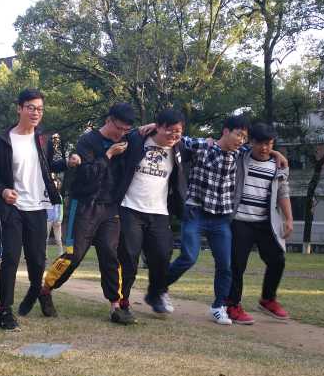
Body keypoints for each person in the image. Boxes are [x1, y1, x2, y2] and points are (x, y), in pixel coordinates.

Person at [165, 115, 287, 325]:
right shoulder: (210, 147)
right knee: (192, 258)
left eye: (244, 137)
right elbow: (175, 138)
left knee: (229, 265)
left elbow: (264, 155)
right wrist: (154, 127)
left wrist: (276, 153)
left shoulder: (243, 153)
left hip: (224, 216)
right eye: (238, 135)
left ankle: (220, 306)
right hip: (203, 212)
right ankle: (160, 286)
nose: (241, 140)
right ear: (226, 131)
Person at [39, 103, 137, 325]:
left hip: (110, 207)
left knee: (110, 254)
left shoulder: (127, 140)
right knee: (74, 255)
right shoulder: (87, 141)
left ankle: (116, 306)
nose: (121, 134)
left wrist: (145, 128)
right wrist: (109, 154)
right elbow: (87, 175)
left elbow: (144, 136)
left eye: (126, 130)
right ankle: (46, 289)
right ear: (109, 120)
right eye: (119, 128)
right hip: (83, 205)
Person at [0, 89, 70, 330]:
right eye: (31, 108)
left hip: (38, 207)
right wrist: (3, 191)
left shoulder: (46, 139)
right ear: (19, 109)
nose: (36, 113)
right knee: (11, 258)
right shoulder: (3, 141)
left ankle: (36, 291)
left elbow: (55, 163)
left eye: (40, 109)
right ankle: (5, 310)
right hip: (13, 207)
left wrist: (70, 161)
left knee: (37, 260)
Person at [115, 108, 188, 316]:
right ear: (158, 127)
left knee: (162, 255)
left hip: (159, 211)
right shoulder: (137, 139)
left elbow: (209, 144)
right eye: (170, 130)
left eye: (178, 131)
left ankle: (156, 294)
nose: (174, 135)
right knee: (129, 257)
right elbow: (119, 135)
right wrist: (140, 129)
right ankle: (123, 300)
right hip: (130, 208)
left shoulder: (180, 147)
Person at [226, 123, 294, 324]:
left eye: (269, 144)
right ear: (251, 142)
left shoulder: (278, 166)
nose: (264, 148)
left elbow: (283, 192)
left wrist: (288, 218)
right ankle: (232, 305)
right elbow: (227, 145)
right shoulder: (240, 157)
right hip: (240, 221)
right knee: (237, 265)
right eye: (260, 143)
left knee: (277, 260)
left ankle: (267, 299)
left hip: (265, 222)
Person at [46, 182, 64, 256]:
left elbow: (61, 209)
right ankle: (44, 255)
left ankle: (61, 254)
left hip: (57, 220)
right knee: (45, 239)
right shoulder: (46, 196)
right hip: (48, 220)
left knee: (58, 239)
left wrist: (60, 219)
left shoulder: (59, 196)